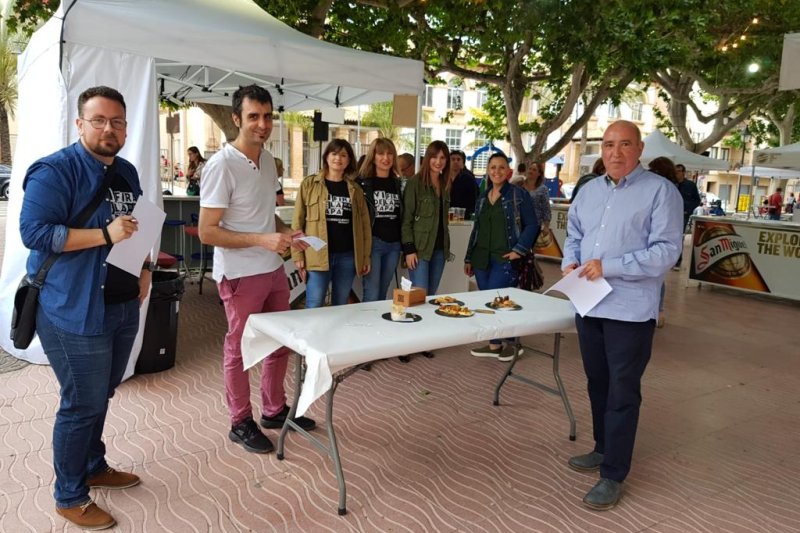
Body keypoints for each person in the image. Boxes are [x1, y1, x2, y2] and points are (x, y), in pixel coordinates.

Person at [19, 86, 151, 530]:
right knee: (81, 403)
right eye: (99, 120)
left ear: (126, 128)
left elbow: (137, 224)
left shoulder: (127, 172)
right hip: (73, 308)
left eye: (117, 122)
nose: (109, 129)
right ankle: (69, 494)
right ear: (80, 124)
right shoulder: (55, 171)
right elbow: (34, 233)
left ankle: (94, 465)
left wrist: (145, 267)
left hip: (121, 303)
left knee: (101, 395)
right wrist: (104, 236)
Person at [562, 120, 683, 511]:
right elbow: (574, 233)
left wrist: (608, 265)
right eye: (609, 144)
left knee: (622, 390)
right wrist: (570, 261)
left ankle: (613, 473)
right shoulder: (589, 190)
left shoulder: (661, 192)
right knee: (597, 381)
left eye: (624, 144)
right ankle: (602, 447)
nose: (615, 152)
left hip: (629, 312)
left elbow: (666, 252)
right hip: (589, 303)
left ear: (639, 148)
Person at [199, 85, 315, 457]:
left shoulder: (268, 161)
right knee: (240, 348)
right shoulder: (221, 165)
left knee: (279, 341)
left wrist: (285, 235)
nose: (262, 124)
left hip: (272, 269)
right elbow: (207, 232)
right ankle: (239, 421)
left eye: (267, 116)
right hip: (239, 274)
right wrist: (263, 240)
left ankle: (273, 409)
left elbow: (266, 219)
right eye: (254, 117)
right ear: (236, 119)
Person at [464, 153, 538, 360]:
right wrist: (468, 258)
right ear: (487, 171)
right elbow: (476, 229)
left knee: (500, 301)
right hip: (481, 259)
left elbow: (533, 224)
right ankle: (494, 344)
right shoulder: (482, 197)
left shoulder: (517, 195)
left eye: (501, 168)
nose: (497, 171)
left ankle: (512, 343)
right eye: (493, 167)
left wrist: (519, 250)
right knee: (487, 302)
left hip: (504, 258)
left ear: (508, 171)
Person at [292, 139, 371, 308]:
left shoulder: (355, 190)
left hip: (347, 256)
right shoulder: (309, 184)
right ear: (326, 156)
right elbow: (297, 221)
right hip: (317, 255)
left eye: (343, 155)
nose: (338, 158)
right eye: (334, 153)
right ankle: (312, 335)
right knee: (314, 303)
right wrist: (297, 255)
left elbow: (364, 226)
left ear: (349, 160)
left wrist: (365, 257)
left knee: (340, 305)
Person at [402, 140, 451, 294]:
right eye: (434, 157)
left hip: (440, 249)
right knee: (419, 294)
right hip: (420, 249)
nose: (438, 162)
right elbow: (406, 219)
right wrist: (409, 249)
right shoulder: (415, 183)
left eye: (443, 158)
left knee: (431, 295)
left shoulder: (445, 184)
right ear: (428, 158)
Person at [357, 138, 403, 302]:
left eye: (390, 153)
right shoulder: (362, 183)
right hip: (373, 244)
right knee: (371, 293)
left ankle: (378, 327)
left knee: (383, 292)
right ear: (373, 157)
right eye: (381, 153)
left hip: (394, 244)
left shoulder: (399, 184)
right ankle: (367, 326)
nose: (386, 158)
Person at [648, 156, 678, 328]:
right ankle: (658, 311)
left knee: (657, 275)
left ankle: (658, 311)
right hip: (655, 237)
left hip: (660, 238)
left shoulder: (666, 189)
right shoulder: (669, 186)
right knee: (657, 276)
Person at [673, 163, 701, 269]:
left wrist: (687, 210)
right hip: (670, 214)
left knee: (679, 237)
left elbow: (697, 200)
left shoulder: (690, 185)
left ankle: (677, 261)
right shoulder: (671, 183)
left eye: (678, 171)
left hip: (683, 215)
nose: (676, 174)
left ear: (684, 172)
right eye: (675, 172)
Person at [520, 161, 551, 240]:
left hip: (534, 225)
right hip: (518, 224)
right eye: (530, 169)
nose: (531, 171)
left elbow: (546, 208)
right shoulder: (519, 185)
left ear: (539, 174)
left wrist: (546, 226)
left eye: (534, 170)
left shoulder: (543, 189)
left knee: (528, 250)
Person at [449, 149, 479, 219]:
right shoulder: (443, 178)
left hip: (463, 216)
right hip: (446, 216)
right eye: (453, 159)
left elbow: (475, 197)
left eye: (458, 159)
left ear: (463, 162)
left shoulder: (468, 177)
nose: (455, 161)